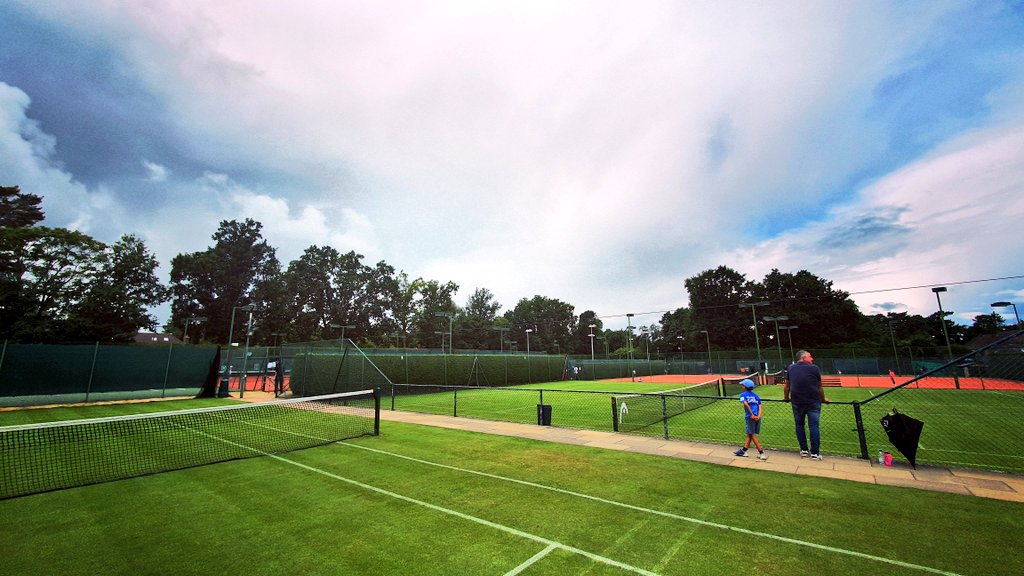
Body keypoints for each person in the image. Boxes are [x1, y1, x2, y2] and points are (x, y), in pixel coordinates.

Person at [784, 350, 829, 460]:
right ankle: (815, 453)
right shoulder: (814, 368)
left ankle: (804, 450)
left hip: (797, 401)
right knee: (814, 426)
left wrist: (786, 397)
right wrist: (823, 399)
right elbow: (820, 386)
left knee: (799, 425)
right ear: (803, 358)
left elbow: (787, 386)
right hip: (813, 401)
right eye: (810, 357)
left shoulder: (791, 368)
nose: (812, 359)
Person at [733, 378, 768, 460]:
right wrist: (758, 416)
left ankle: (761, 453)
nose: (742, 386)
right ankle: (744, 451)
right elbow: (760, 407)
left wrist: (752, 414)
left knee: (752, 435)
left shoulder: (743, 395)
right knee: (749, 434)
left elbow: (745, 404)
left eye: (743, 385)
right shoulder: (756, 396)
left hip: (750, 417)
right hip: (757, 417)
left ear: (745, 387)